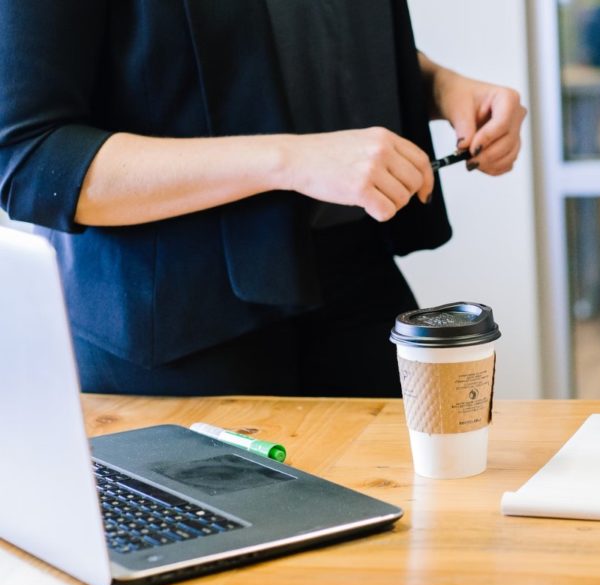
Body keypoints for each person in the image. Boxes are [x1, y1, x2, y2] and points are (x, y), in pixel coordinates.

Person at [0, 2, 525, 396]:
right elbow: (30, 158)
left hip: (357, 286)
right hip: (180, 326)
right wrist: (290, 161)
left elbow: (302, 39)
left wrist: (439, 86)